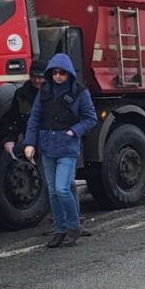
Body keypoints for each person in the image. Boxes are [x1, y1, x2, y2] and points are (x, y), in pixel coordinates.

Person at [23, 52, 97, 247]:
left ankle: (74, 226)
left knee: (61, 188)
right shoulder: (45, 91)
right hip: (48, 145)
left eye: (62, 73)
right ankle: (60, 229)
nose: (58, 76)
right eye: (55, 73)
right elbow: (35, 118)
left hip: (67, 146)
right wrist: (30, 143)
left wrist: (74, 131)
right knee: (53, 191)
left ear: (69, 74)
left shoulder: (79, 92)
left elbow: (90, 118)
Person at [0, 58, 48, 156]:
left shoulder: (52, 94)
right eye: (34, 77)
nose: (37, 80)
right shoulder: (21, 95)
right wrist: (11, 139)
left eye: (40, 77)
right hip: (32, 142)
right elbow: (14, 118)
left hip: (49, 142)